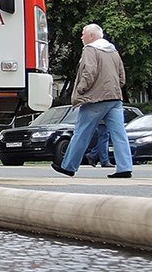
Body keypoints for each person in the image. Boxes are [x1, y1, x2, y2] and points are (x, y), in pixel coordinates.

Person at [53, 23, 132, 178]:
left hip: (95, 98)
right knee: (119, 135)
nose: (81, 37)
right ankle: (125, 168)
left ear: (91, 36)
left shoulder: (90, 49)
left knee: (82, 133)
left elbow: (89, 72)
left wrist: (80, 89)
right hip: (115, 98)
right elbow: (122, 77)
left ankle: (69, 166)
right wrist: (114, 88)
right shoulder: (113, 51)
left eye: (83, 34)